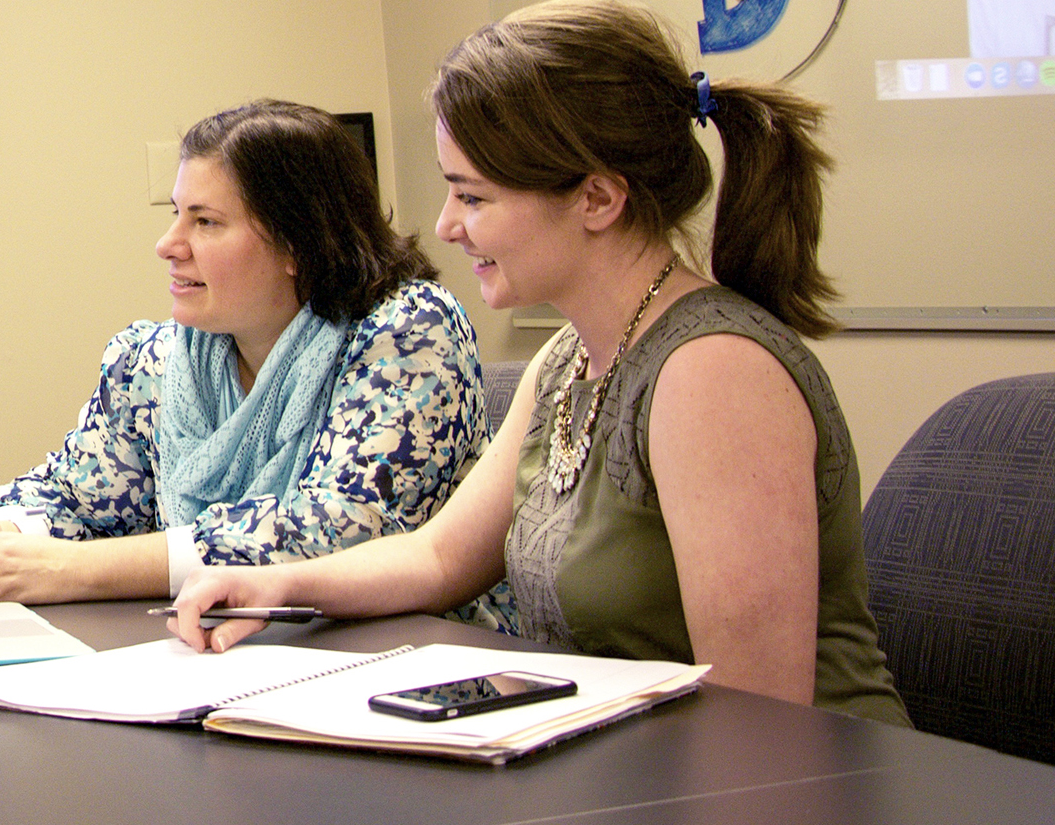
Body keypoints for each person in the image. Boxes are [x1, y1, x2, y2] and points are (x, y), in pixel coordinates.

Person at [169, 0, 908, 725]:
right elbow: (437, 558)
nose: (447, 225)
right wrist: (270, 586)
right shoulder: (568, 357)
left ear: (596, 197)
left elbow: (762, 723)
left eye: (474, 196)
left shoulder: (712, 371)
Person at [0, 99, 498, 626]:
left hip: (419, 660)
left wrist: (73, 569)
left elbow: (339, 532)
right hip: (222, 652)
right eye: (176, 214)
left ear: (297, 243)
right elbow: (78, 496)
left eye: (205, 221)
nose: (169, 243)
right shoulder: (154, 359)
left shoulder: (410, 334)